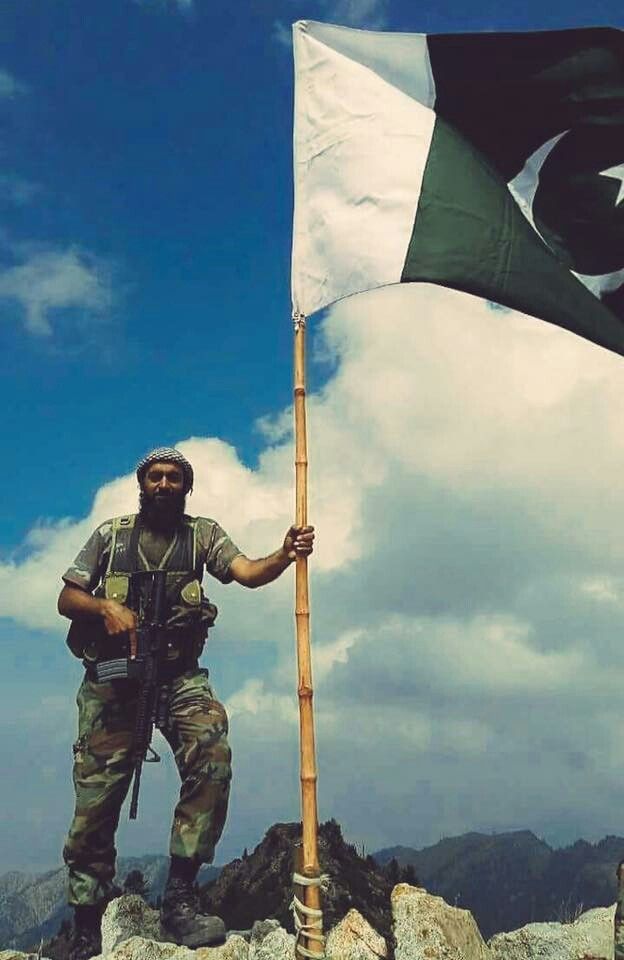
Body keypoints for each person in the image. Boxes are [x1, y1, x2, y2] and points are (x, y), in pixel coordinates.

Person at [57, 446, 315, 960]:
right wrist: (106, 606)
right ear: (142, 483)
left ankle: (180, 896)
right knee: (95, 798)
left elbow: (245, 571)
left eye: (175, 477)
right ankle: (85, 921)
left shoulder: (203, 535)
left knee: (212, 754)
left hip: (178, 676)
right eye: (156, 476)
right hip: (114, 680)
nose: (164, 484)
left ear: (186, 487)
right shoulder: (112, 536)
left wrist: (285, 554)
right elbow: (67, 597)